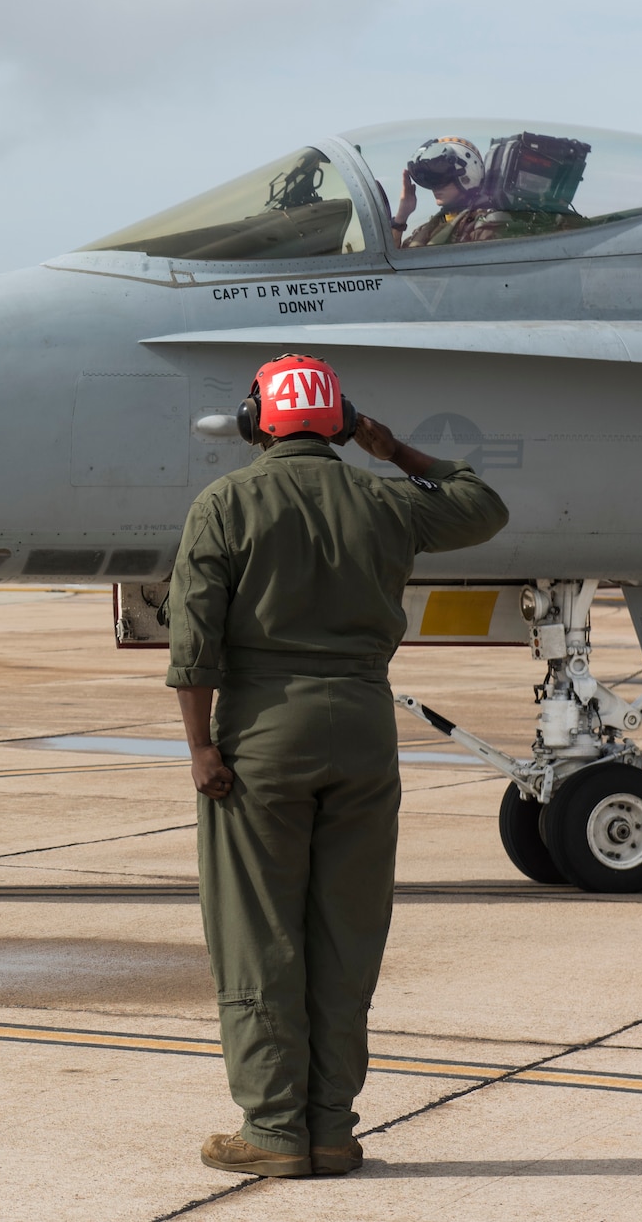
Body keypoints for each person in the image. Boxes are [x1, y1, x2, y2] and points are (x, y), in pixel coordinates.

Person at [167, 355, 507, 1178]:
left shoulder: (226, 502)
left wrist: (201, 746)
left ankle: (274, 1128)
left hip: (263, 733)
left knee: (260, 932)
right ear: (339, 420)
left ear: (258, 421)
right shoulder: (386, 498)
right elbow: (482, 507)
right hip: (363, 730)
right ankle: (330, 1126)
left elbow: (194, 642)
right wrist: (393, 449)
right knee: (346, 931)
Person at [391, 137, 508, 247]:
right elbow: (394, 259)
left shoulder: (484, 227)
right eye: (431, 179)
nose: (435, 187)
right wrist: (401, 217)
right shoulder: (430, 228)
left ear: (467, 175)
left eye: (441, 178)